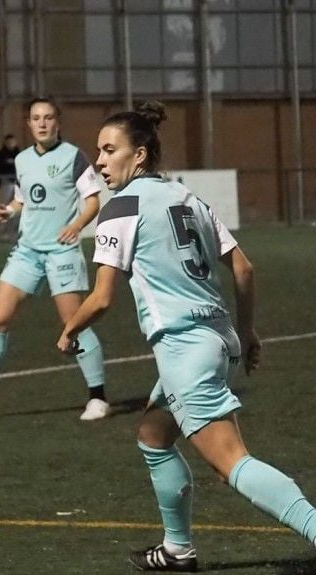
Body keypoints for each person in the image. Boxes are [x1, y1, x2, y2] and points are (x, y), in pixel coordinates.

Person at [58, 101, 316, 572]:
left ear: (139, 155)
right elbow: (243, 266)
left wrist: (71, 328)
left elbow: (101, 299)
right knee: (154, 435)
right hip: (217, 340)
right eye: (98, 150)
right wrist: (247, 329)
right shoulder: (187, 198)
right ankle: (178, 550)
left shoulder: (120, 207)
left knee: (231, 463)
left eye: (109, 150)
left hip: (183, 348)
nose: (99, 160)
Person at [0, 98, 110, 421]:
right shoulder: (21, 159)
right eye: (36, 118)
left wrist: (76, 225)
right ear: (29, 124)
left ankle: (98, 397)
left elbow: (93, 202)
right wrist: (10, 211)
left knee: (74, 323)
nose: (43, 123)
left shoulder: (74, 157)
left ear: (57, 122)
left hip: (61, 251)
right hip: (27, 251)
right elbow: (22, 200)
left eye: (48, 117)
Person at [0, 133, 20, 239]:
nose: (11, 144)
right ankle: (5, 231)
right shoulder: (0, 155)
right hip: (6, 182)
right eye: (9, 142)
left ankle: (15, 230)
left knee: (17, 205)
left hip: (17, 183)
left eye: (12, 141)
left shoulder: (19, 153)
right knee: (5, 205)